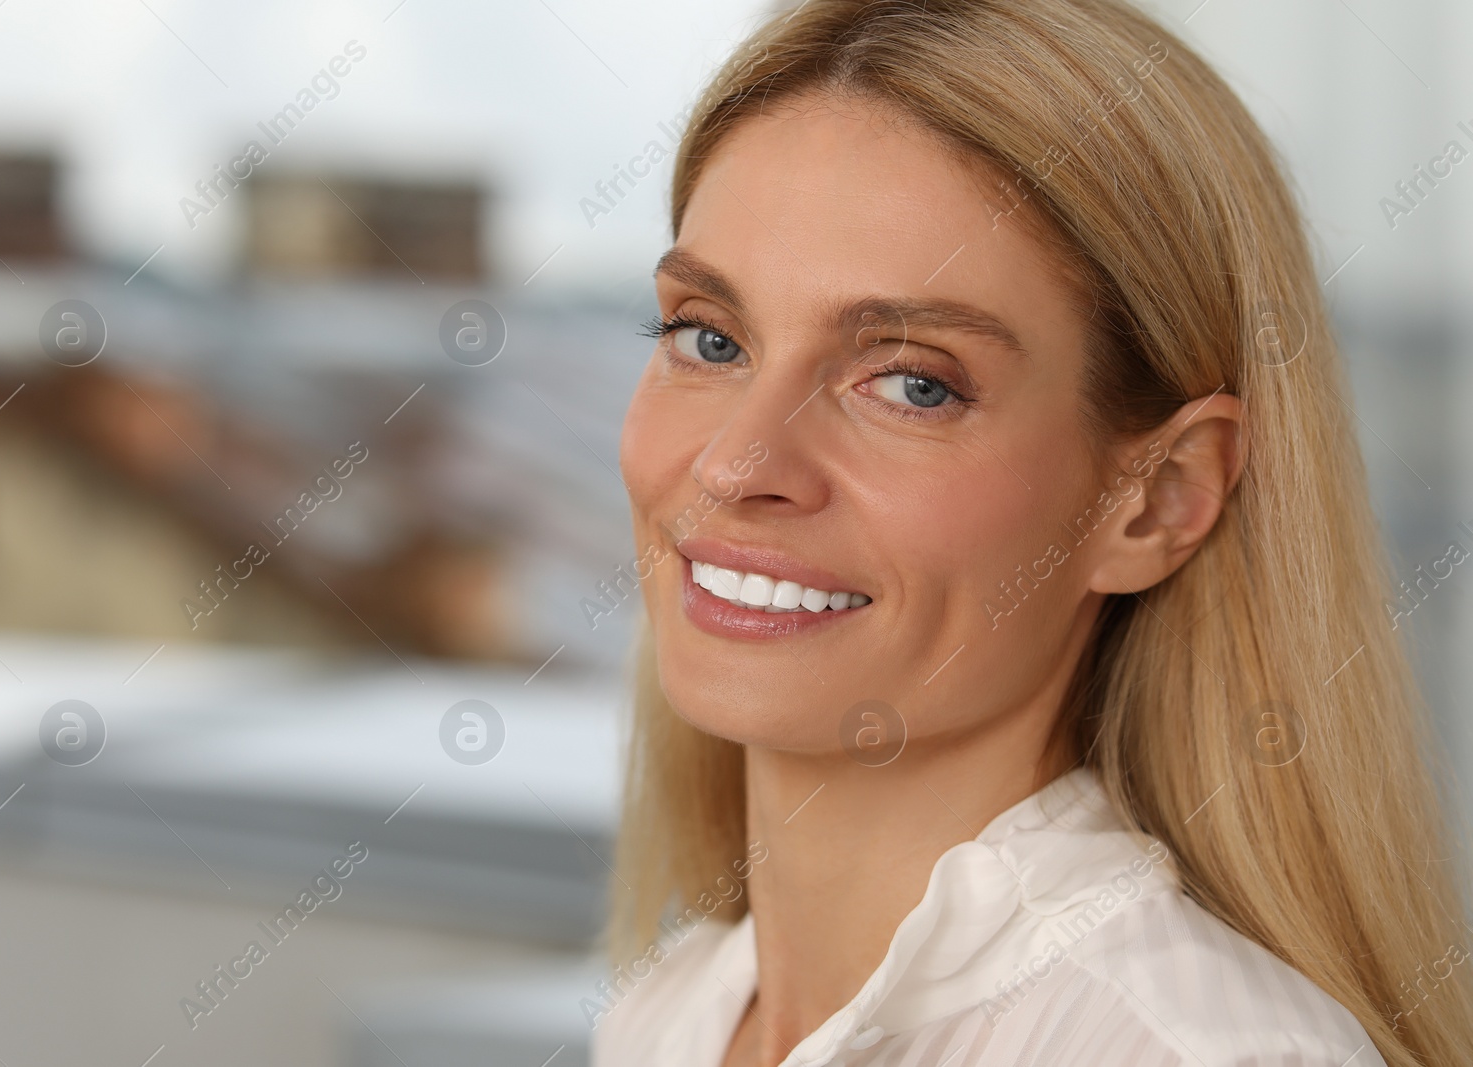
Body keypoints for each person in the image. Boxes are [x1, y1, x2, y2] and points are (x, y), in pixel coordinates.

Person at [591, 1, 1473, 1065]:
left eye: (913, 383)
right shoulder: (671, 1014)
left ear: (1156, 498)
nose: (736, 465)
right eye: (709, 337)